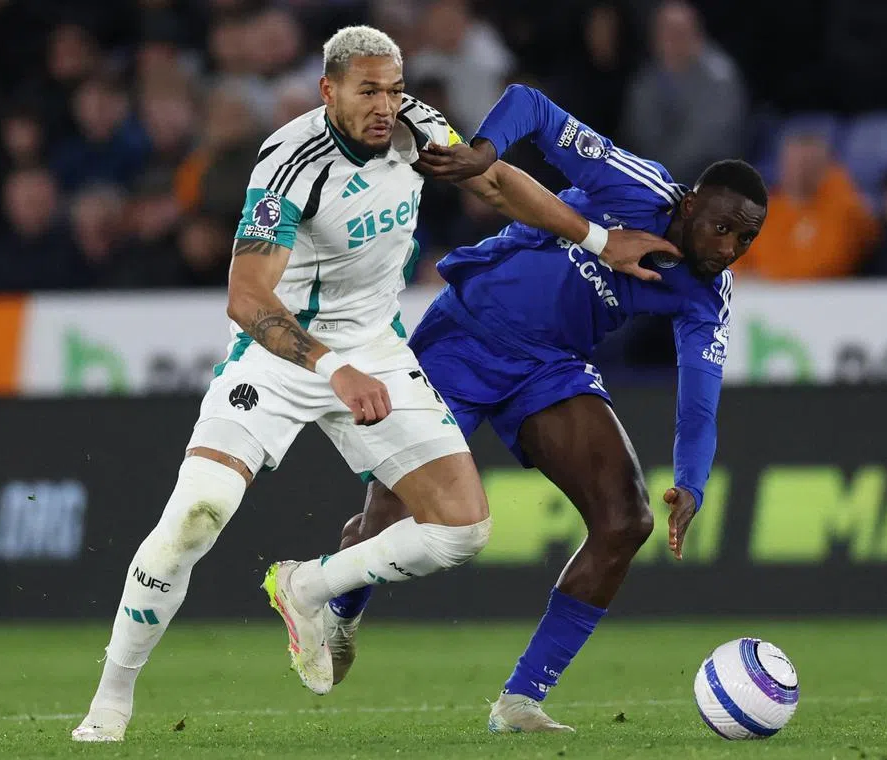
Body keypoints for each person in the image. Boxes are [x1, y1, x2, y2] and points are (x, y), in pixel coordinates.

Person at [71, 27, 672, 743]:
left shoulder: (416, 126)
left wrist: (601, 241)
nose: (386, 105)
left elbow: (495, 183)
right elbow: (246, 296)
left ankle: (308, 586)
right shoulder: (289, 163)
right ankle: (111, 699)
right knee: (195, 514)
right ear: (328, 91)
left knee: (464, 528)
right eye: (368, 91)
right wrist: (332, 366)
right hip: (281, 355)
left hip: (376, 351)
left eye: (394, 88)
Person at [320, 83, 768, 733]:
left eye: (745, 239)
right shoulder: (634, 186)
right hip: (466, 337)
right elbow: (530, 105)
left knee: (626, 520)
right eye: (721, 227)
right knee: (389, 525)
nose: (728, 248)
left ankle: (521, 699)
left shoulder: (707, 295)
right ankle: (340, 609)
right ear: (691, 203)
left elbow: (699, 402)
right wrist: (482, 152)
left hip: (549, 370)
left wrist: (692, 483)